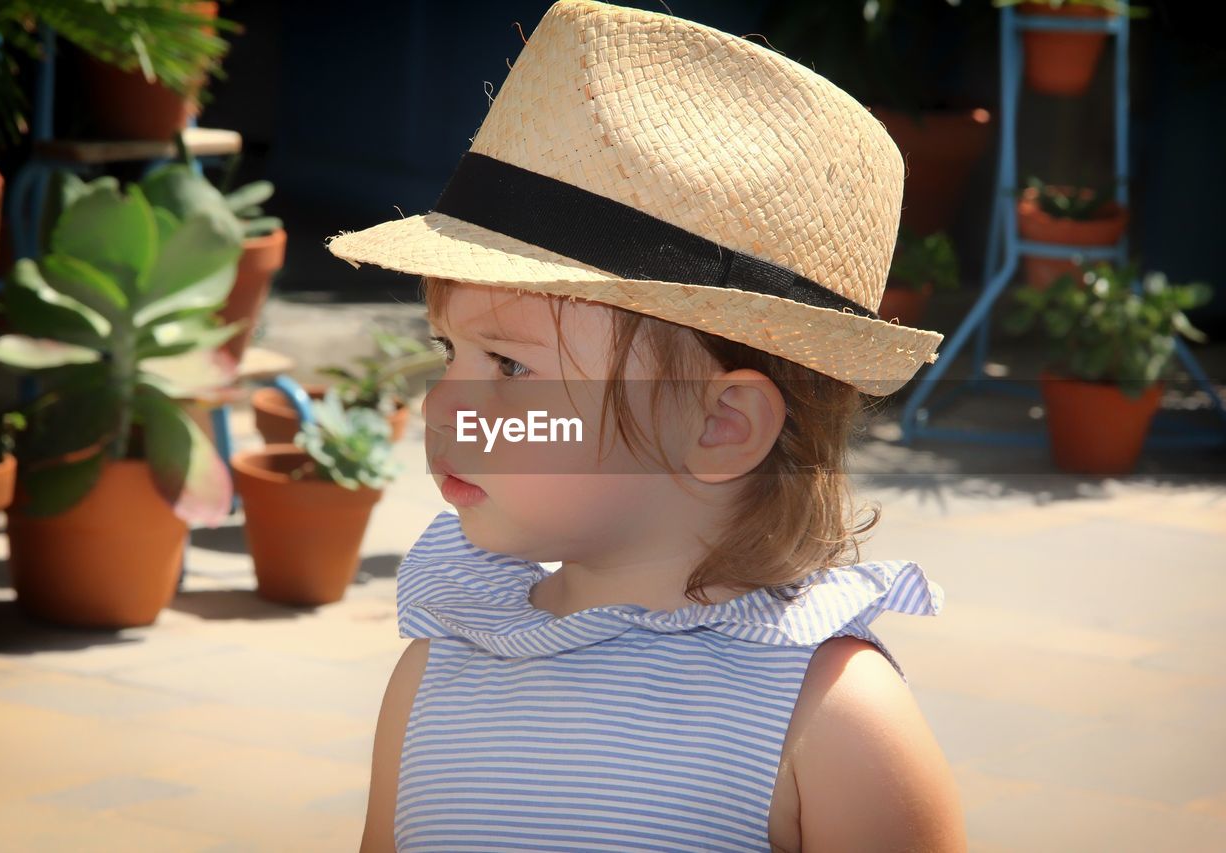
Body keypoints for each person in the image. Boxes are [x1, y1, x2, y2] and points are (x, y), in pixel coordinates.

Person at [327, 1, 965, 850]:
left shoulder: (831, 720)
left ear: (721, 424)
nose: (446, 403)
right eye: (450, 349)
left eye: (509, 365)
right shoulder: (438, 668)